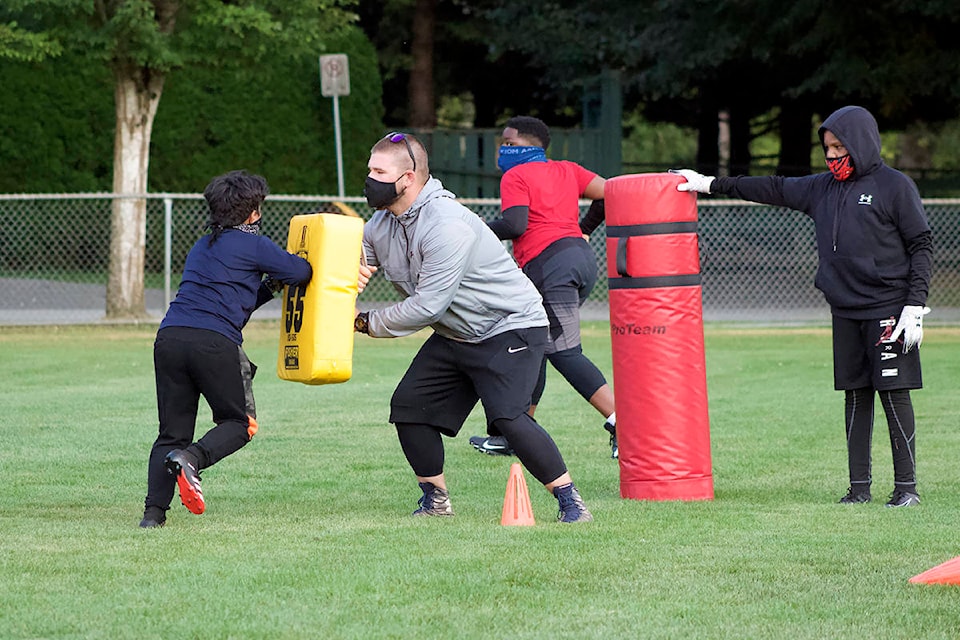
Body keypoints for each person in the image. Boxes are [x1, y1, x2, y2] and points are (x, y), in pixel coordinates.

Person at [674, 105, 932, 508]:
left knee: (893, 393)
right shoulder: (820, 189)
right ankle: (859, 488)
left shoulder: (894, 186)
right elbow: (771, 187)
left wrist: (914, 305)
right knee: (855, 394)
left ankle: (906, 490)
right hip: (844, 309)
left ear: (860, 143)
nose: (831, 156)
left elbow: (921, 244)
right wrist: (709, 184)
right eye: (827, 148)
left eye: (838, 147)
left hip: (889, 308)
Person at [354, 131, 592, 523]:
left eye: (379, 171)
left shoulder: (446, 224)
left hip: (510, 326)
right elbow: (354, 262)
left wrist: (365, 323)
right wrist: (350, 273)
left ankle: (570, 500)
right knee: (410, 408)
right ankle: (436, 500)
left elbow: (429, 305)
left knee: (508, 418)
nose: (371, 179)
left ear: (408, 178)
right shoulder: (380, 225)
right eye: (370, 169)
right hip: (457, 331)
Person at [139, 170, 313, 528]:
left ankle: (153, 516)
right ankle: (192, 459)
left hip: (170, 338)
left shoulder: (203, 246)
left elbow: (237, 297)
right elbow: (303, 271)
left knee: (170, 433)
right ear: (253, 213)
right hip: (214, 342)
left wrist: (268, 286)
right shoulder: (255, 244)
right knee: (239, 424)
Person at [468, 115, 618, 459]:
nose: (503, 149)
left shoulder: (516, 174)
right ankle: (515, 435)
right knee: (533, 343)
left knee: (564, 352)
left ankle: (621, 422)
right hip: (577, 260)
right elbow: (610, 193)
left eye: (509, 143)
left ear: (530, 146)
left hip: (550, 267)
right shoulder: (567, 169)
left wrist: (473, 230)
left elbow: (515, 224)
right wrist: (585, 228)